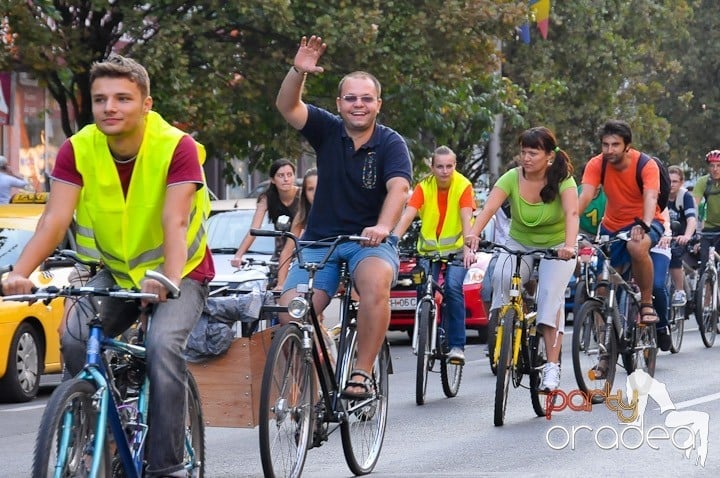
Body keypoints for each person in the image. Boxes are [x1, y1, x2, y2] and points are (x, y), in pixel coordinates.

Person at [1, 55, 214, 477]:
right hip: (118, 274)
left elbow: (174, 221)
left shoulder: (177, 146)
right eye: (100, 100)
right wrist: (18, 271)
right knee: (76, 338)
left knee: (161, 347)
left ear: (146, 104)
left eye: (122, 98)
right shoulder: (78, 148)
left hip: (180, 273)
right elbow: (53, 219)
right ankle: (97, 431)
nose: (109, 108)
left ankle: (166, 466)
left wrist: (168, 279)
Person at [276, 35, 412, 399]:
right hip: (321, 242)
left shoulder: (391, 143)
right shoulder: (327, 128)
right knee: (291, 313)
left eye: (366, 98)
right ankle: (321, 377)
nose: (358, 105)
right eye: (350, 98)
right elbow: (288, 107)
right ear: (339, 103)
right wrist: (298, 71)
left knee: (374, 284)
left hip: (369, 243)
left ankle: (361, 373)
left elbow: (399, 188)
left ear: (378, 105)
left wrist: (384, 227)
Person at [466, 126, 578, 391]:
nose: (526, 158)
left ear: (549, 156)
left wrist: (570, 246)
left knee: (550, 297)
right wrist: (473, 234)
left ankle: (552, 367)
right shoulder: (512, 177)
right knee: (501, 277)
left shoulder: (564, 180)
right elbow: (489, 208)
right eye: (523, 152)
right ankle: (510, 327)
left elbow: (572, 215)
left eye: (533, 152)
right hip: (519, 242)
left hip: (558, 246)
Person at [578, 120, 665, 327]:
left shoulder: (645, 164)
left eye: (615, 145)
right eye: (605, 145)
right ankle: (605, 349)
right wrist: (567, 228)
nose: (609, 150)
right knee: (602, 287)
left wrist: (643, 224)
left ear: (627, 146)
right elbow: (584, 198)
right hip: (612, 226)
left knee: (636, 246)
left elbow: (651, 198)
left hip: (647, 221)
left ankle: (645, 303)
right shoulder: (597, 164)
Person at [393, 146, 475, 364]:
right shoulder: (424, 187)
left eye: (449, 166)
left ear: (455, 166)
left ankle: (457, 345)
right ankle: (427, 335)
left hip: (457, 252)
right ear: (432, 167)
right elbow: (408, 215)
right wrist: (392, 241)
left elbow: (467, 218)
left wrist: (468, 247)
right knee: (423, 289)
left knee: (453, 288)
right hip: (428, 252)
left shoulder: (463, 186)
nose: (444, 171)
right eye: (439, 166)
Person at [230, 158, 300, 277]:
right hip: (279, 257)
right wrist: (238, 255)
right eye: (281, 175)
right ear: (273, 180)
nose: (286, 179)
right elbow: (254, 230)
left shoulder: (303, 196)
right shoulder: (267, 199)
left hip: (303, 253)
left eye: (289, 175)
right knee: (273, 290)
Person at [275, 167, 318, 290]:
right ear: (304, 193)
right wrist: (281, 284)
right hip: (308, 267)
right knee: (290, 302)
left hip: (335, 267)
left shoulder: (339, 213)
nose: (315, 193)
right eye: (310, 189)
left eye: (320, 188)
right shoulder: (302, 217)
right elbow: (288, 250)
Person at [668, 165, 697, 306]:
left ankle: (680, 291)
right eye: (669, 181)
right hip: (664, 237)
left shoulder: (685, 197)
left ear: (681, 183)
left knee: (674, 254)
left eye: (675, 181)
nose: (671, 184)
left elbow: (691, 219)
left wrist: (686, 236)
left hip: (683, 237)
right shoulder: (659, 195)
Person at [692, 150, 720, 265]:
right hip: (707, 228)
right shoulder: (702, 182)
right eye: (712, 166)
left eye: (719, 166)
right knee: (704, 264)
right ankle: (706, 281)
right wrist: (695, 231)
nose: (715, 169)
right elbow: (695, 207)